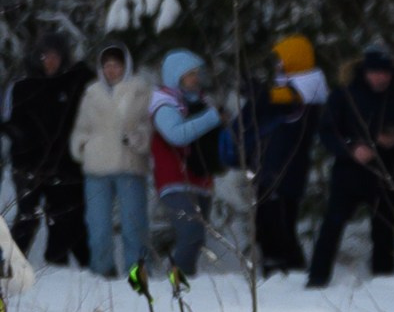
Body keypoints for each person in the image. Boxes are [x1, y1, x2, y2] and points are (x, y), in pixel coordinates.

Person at [308, 42, 394, 284]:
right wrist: (351, 148)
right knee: (332, 226)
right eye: (375, 72)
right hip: (348, 174)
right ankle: (317, 279)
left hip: (386, 175)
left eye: (385, 72)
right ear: (364, 71)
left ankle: (384, 282)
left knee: (385, 231)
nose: (381, 77)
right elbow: (326, 133)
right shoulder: (342, 96)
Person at [238, 34, 329, 273]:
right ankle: (279, 264)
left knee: (278, 221)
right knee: (269, 220)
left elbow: (285, 101)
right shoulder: (289, 86)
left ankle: (287, 266)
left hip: (286, 167)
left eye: (282, 59)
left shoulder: (308, 85)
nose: (277, 64)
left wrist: (259, 94)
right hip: (274, 166)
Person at [5, 30, 90, 266]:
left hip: (61, 166)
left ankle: (57, 267)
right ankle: (9, 268)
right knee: (26, 217)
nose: (50, 61)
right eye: (45, 56)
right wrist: (24, 140)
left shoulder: (69, 85)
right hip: (27, 166)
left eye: (55, 56)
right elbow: (8, 122)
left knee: (61, 216)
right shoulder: (22, 87)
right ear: (38, 57)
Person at [70, 41, 151, 279]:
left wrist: (138, 139)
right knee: (98, 228)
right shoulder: (92, 92)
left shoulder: (139, 90)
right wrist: (82, 147)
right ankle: (102, 271)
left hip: (130, 165)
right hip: (96, 169)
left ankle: (136, 273)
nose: (111, 70)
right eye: (107, 65)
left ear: (125, 66)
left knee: (133, 226)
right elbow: (81, 128)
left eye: (116, 65)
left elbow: (149, 127)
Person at [148, 49, 224, 276]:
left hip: (200, 180)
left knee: (196, 237)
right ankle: (178, 283)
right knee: (191, 233)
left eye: (197, 73)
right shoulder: (164, 104)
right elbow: (176, 135)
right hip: (174, 181)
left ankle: (184, 283)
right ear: (175, 76)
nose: (195, 78)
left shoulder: (199, 102)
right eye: (190, 74)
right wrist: (212, 118)